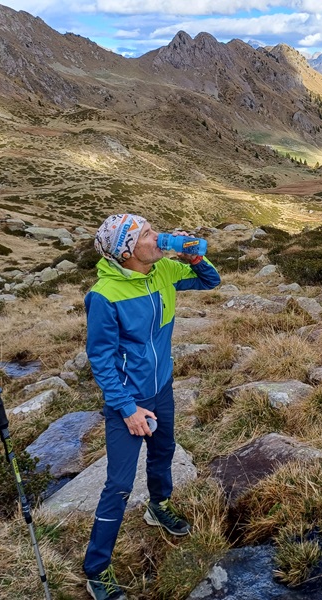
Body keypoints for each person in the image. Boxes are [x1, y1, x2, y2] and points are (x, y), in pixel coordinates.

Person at [82, 214, 221, 600]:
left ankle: (158, 506)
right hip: (128, 402)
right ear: (127, 251)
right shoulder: (105, 295)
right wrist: (127, 408)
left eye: (152, 229)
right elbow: (101, 360)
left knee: (164, 452)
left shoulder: (163, 271)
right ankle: (96, 570)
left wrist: (194, 258)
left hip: (161, 389)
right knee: (120, 485)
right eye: (146, 234)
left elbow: (211, 281)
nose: (157, 236)